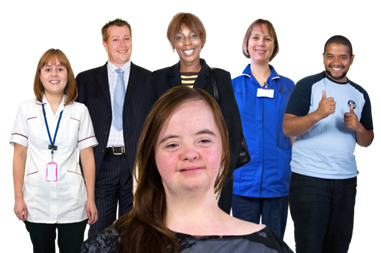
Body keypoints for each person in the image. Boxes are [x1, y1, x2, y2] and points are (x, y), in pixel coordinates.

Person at [81, 86, 293, 253]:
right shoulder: (110, 245)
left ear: (224, 149)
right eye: (172, 144)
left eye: (204, 140)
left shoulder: (267, 247)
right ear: (152, 156)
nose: (190, 154)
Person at [283, 35, 374, 253]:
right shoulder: (307, 85)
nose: (336, 62)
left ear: (351, 60)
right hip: (309, 179)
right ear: (323, 57)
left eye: (342, 57)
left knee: (339, 246)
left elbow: (367, 141)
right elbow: (288, 128)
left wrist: (358, 128)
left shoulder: (360, 93)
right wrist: (317, 114)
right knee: (310, 247)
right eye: (331, 56)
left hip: (346, 180)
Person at [147, 12, 243, 214]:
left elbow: (233, 130)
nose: (187, 43)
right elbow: (152, 130)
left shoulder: (220, 78)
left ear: (202, 39)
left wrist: (224, 174)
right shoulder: (159, 79)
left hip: (213, 175)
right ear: (173, 43)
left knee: (214, 240)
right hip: (174, 175)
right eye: (180, 37)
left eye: (193, 35)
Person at [10, 48, 98, 253]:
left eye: (60, 68)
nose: (54, 74)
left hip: (73, 200)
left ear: (68, 75)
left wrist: (91, 199)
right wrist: (18, 198)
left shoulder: (80, 111)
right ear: (39, 76)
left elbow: (87, 157)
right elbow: (19, 155)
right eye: (48, 69)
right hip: (36, 199)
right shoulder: (26, 109)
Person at [75, 18, 152, 236]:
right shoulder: (86, 80)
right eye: (116, 39)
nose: (122, 44)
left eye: (126, 38)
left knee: (135, 235)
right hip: (100, 167)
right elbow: (75, 128)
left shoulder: (150, 79)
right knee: (99, 236)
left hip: (137, 167)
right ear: (105, 45)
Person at [231, 19, 294, 240]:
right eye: (255, 37)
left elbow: (296, 134)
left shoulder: (288, 87)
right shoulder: (232, 87)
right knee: (240, 244)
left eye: (267, 38)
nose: (261, 43)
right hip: (241, 180)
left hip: (278, 181)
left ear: (274, 46)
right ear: (247, 44)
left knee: (274, 244)